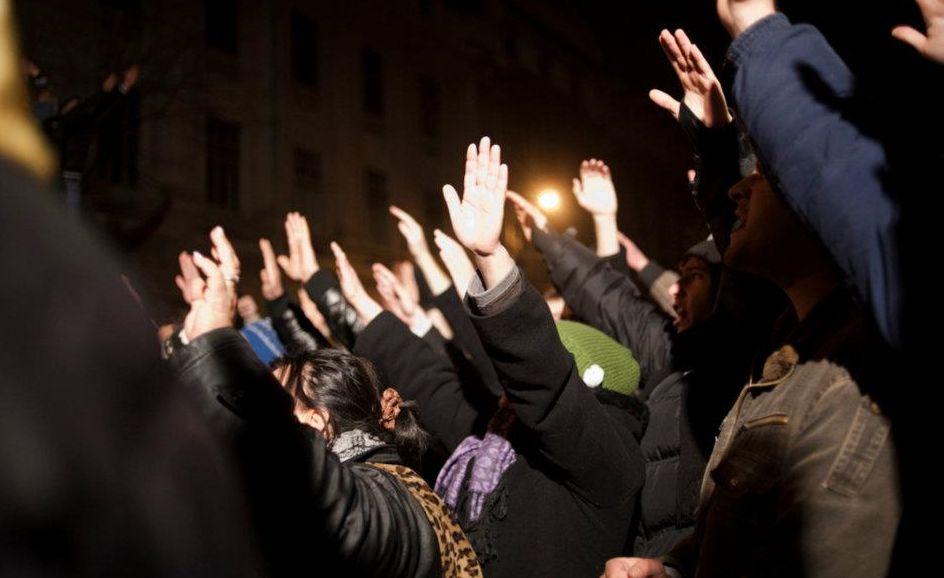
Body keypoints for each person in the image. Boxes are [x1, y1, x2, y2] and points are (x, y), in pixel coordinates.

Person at [603, 157, 901, 577]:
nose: (737, 191)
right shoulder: (777, 364)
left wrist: (716, 146)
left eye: (765, 172)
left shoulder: (855, 378)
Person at [170, 227, 483, 578]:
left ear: (317, 422)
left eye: (275, 405)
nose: (260, 412)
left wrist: (215, 343)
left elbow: (325, 505)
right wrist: (193, 339)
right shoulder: (373, 485)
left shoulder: (393, 502)